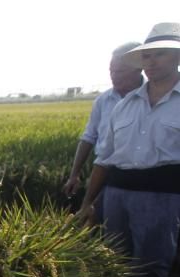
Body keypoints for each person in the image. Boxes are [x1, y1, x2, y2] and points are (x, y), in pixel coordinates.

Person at [79, 22, 180, 277]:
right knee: (115, 259)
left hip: (162, 194)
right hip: (118, 194)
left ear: (176, 58)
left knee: (151, 263)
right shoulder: (124, 107)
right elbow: (104, 158)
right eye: (147, 57)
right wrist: (88, 202)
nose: (151, 62)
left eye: (159, 55)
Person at [62, 42, 144, 213]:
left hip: (140, 179)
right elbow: (89, 137)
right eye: (111, 71)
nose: (114, 76)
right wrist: (74, 174)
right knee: (95, 220)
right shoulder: (103, 100)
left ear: (138, 69)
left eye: (119, 71)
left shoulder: (150, 98)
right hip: (104, 173)